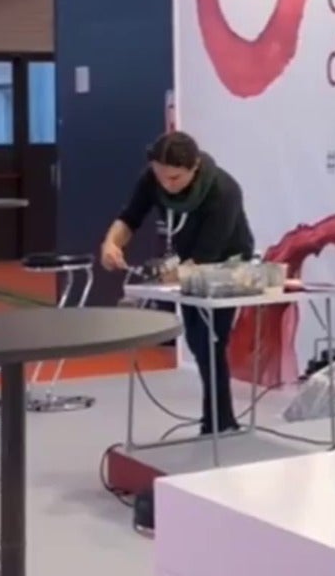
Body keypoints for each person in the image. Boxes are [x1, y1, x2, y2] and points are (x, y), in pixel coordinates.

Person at [101, 131, 255, 435]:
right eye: (161, 176)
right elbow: (130, 218)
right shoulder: (153, 179)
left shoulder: (224, 191)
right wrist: (111, 243)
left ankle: (219, 421)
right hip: (187, 262)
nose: (166, 185)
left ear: (194, 167)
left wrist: (162, 275)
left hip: (225, 265)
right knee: (198, 341)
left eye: (174, 178)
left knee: (212, 340)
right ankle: (218, 419)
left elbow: (205, 256)